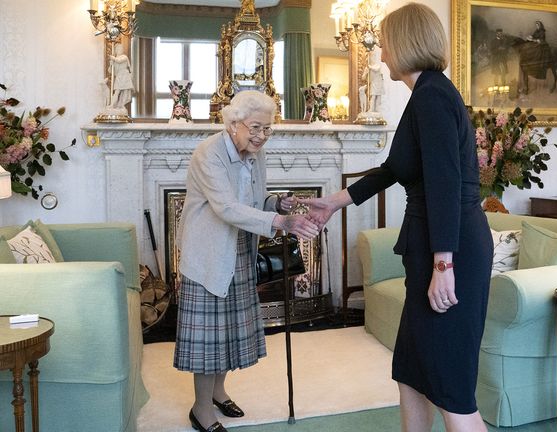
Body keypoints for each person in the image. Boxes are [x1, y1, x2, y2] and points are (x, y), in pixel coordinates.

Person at [301, 3, 492, 431]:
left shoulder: (433, 97)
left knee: (450, 388)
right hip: (432, 246)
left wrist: (444, 264)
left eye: (385, 43)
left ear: (405, 43)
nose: (381, 53)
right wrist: (336, 200)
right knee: (411, 373)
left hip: (449, 248)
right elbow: (395, 169)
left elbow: (444, 184)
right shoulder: (424, 95)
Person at [173, 90, 319, 432]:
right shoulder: (209, 154)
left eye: (267, 129)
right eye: (255, 127)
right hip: (208, 254)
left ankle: (218, 392)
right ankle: (200, 410)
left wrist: (275, 204)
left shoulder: (256, 153)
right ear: (233, 123)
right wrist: (281, 223)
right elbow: (225, 207)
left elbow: (252, 199)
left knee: (227, 333)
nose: (261, 136)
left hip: (239, 249)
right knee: (208, 339)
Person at [109, 42, 134, 109]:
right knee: (117, 92)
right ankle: (112, 105)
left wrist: (113, 58)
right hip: (119, 76)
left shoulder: (124, 57)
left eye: (121, 48)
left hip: (124, 76)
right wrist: (111, 64)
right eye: (119, 48)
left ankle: (121, 105)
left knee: (125, 92)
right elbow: (110, 71)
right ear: (116, 50)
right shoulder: (114, 59)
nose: (120, 49)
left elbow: (119, 61)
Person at [363, 47, 384, 113]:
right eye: (371, 57)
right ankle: (371, 109)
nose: (372, 58)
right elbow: (363, 78)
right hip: (373, 83)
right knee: (373, 96)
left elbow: (376, 69)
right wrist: (366, 74)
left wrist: (370, 67)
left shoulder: (377, 65)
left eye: (373, 56)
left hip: (379, 83)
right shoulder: (367, 68)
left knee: (378, 97)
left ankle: (377, 109)